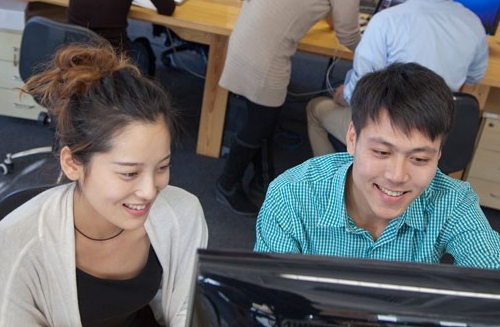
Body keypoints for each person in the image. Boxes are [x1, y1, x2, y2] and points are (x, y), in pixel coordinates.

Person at [0, 42, 208, 326]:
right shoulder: (18, 247)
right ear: (72, 164)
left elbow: (186, 310)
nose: (150, 191)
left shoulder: (182, 214)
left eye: (162, 167)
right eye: (129, 173)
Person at [254, 62, 500, 269]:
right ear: (352, 139)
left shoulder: (451, 201)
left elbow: (490, 272)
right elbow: (267, 296)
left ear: (438, 156)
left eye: (420, 159)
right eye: (382, 152)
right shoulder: (292, 195)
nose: (397, 175)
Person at [217, 0, 362, 216]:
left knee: (264, 118)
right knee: (261, 122)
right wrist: (379, 50)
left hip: (246, 37)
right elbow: (348, 35)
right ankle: (227, 184)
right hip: (266, 55)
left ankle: (263, 181)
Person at [307, 0, 488, 156]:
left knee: (315, 108)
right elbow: (474, 77)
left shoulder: (387, 21)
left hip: (391, 132)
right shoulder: (473, 24)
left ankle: (330, 188)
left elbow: (360, 92)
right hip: (438, 129)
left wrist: (343, 95)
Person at [67, 0, 176, 76]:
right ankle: (140, 96)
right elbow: (167, 9)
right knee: (143, 46)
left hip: (75, 54)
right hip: (114, 60)